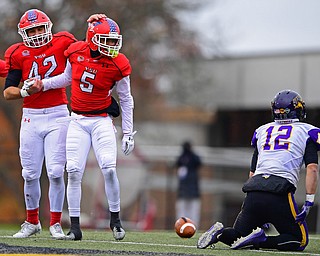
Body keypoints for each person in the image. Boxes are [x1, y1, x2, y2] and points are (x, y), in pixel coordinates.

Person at [3, 8, 106, 239]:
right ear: (23, 33)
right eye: (33, 30)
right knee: (29, 173)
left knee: (56, 172)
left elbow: (88, 52)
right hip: (31, 116)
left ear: (48, 27)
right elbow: (8, 92)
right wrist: (24, 91)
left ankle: (56, 223)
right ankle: (31, 222)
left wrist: (95, 26)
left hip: (58, 114)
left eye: (40, 28)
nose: (38, 33)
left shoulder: (63, 41)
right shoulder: (17, 53)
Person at [31, 16, 135, 241]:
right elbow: (67, 78)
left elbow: (126, 99)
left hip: (101, 121)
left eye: (114, 40)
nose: (112, 45)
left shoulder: (119, 63)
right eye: (106, 40)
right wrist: (43, 84)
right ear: (93, 38)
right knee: (74, 172)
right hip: (77, 121)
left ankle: (115, 221)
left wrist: (128, 132)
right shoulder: (76, 51)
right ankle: (75, 227)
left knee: (108, 168)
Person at [197, 89, 320, 251]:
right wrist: (309, 200)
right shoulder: (307, 131)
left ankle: (220, 233)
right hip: (279, 189)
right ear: (297, 109)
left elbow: (252, 171)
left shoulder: (262, 131)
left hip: (254, 188)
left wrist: (255, 205)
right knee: (299, 240)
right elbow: (312, 168)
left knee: (239, 234)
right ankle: (259, 241)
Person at [175, 141, 202, 226]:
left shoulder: (194, 159)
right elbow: (177, 163)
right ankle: (181, 225)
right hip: (183, 191)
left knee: (193, 211)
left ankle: (193, 226)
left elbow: (199, 162)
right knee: (182, 210)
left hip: (193, 191)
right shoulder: (181, 159)